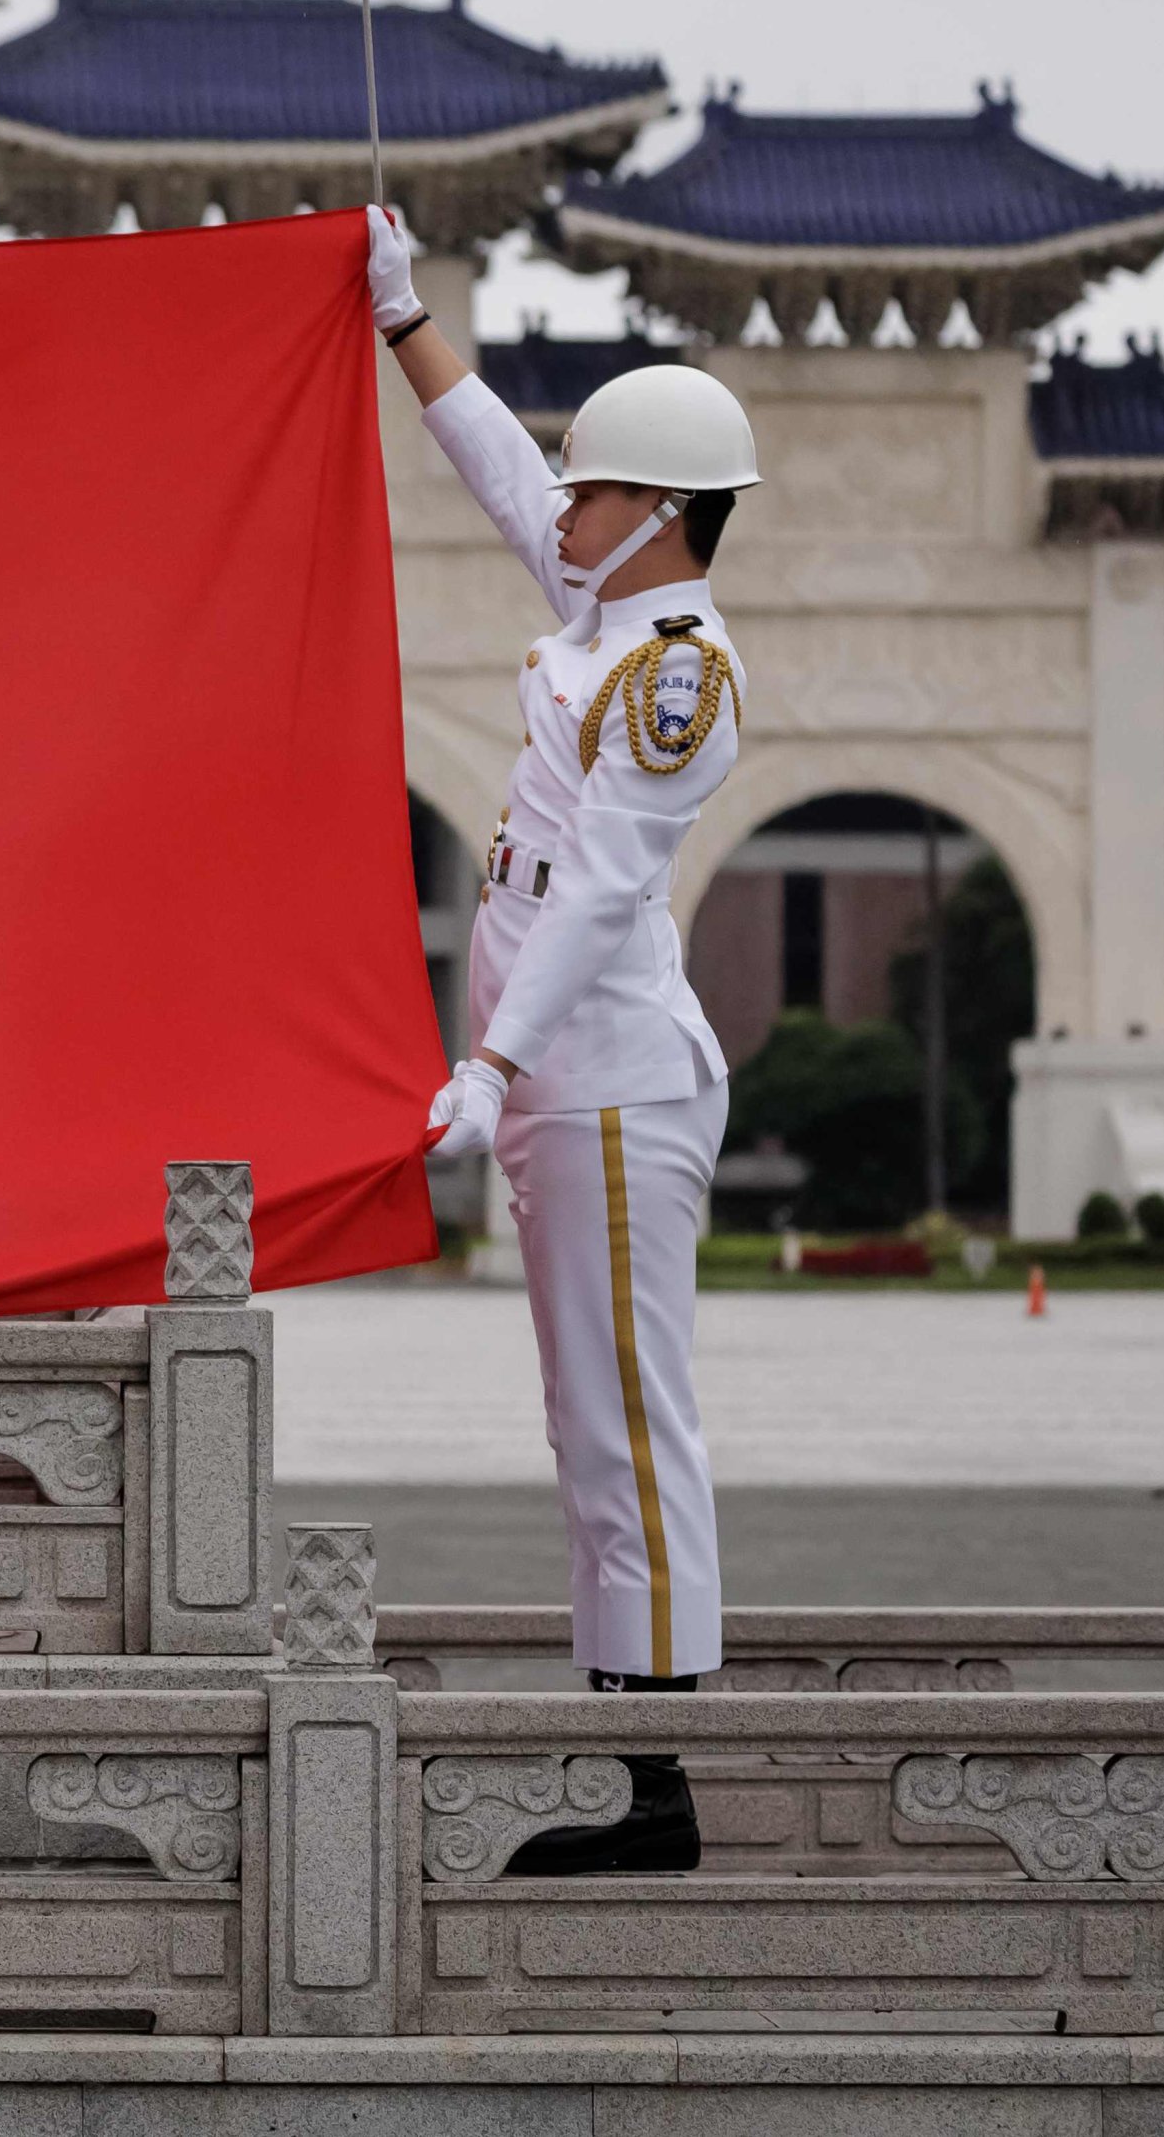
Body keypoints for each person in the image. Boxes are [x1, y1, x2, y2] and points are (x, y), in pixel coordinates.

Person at [369, 206, 757, 1877]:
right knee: (583, 1419)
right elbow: (502, 476)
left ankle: (652, 1786)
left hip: (600, 1080)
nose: (564, 497)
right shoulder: (604, 615)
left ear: (661, 518)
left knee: (621, 1424)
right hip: (563, 1083)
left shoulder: (678, 673)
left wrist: (495, 1065)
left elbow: (600, 890)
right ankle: (630, 1747)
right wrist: (406, 322)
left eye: (596, 484)